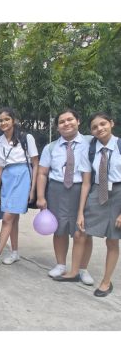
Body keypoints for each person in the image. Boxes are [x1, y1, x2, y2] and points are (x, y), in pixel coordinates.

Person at [36, 110, 94, 284]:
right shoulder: (51, 147)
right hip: (57, 190)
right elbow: (42, 173)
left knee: (83, 230)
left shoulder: (90, 143)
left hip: (82, 189)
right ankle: (61, 264)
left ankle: (82, 269)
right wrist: (40, 196)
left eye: (70, 120)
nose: (66, 124)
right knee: (59, 229)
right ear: (57, 127)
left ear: (78, 121)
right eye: (62, 122)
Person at [0, 108, 39, 269]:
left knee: (7, 218)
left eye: (6, 119)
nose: (3, 123)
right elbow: (0, 168)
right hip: (7, 178)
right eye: (0, 120)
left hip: (22, 176)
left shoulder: (26, 137)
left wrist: (32, 189)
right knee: (13, 219)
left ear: (13, 120)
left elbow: (35, 164)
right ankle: (15, 252)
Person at [77, 112, 121, 297]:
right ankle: (81, 270)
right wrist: (80, 212)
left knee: (112, 239)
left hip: (118, 194)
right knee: (84, 231)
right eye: (95, 127)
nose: (99, 129)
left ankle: (106, 281)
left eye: (103, 124)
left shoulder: (119, 145)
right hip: (97, 191)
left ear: (111, 123)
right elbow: (86, 182)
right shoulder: (91, 148)